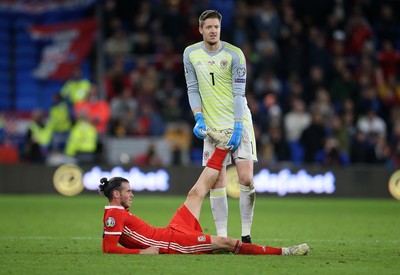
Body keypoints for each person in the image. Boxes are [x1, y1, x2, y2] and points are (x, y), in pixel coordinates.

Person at [100, 129, 309, 255]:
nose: (132, 194)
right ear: (116, 195)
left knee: (195, 193)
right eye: (128, 191)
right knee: (226, 242)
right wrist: (142, 252)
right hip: (173, 243)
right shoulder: (114, 214)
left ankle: (221, 147)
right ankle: (284, 251)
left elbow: (116, 238)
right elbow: (108, 248)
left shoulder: (115, 213)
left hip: (171, 231)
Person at [183, 9, 257, 243]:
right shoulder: (191, 53)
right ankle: (223, 238)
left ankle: (245, 236)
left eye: (217, 27)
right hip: (212, 128)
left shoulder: (235, 54)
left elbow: (239, 92)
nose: (213, 31)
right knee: (218, 181)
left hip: (238, 122)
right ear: (201, 30)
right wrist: (198, 118)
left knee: (246, 179)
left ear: (220, 29)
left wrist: (237, 126)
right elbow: (192, 89)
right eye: (209, 27)